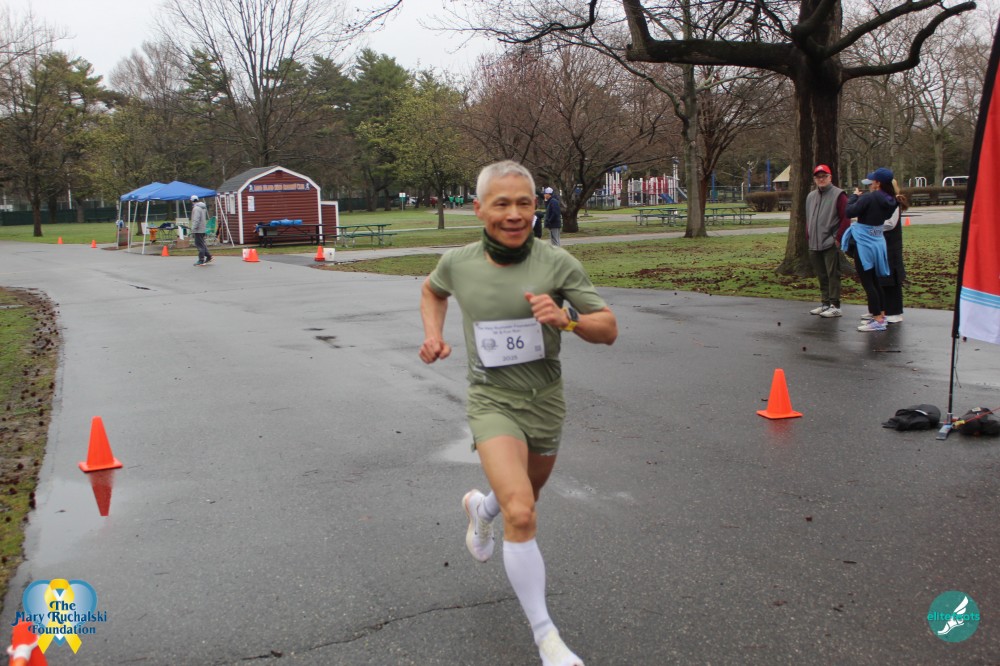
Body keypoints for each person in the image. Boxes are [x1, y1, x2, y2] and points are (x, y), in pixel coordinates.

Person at [419, 160, 617, 666]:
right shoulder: (458, 262)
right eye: (501, 203)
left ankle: (480, 510)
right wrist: (433, 335)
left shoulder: (557, 263)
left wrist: (567, 321)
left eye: (523, 203)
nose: (513, 214)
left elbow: (608, 328)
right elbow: (432, 291)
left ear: (536, 207)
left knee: (523, 496)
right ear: (478, 208)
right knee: (522, 512)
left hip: (545, 400)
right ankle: (547, 638)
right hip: (492, 401)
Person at [842, 168, 897, 331]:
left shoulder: (869, 197)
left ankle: (877, 319)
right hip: (878, 241)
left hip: (864, 243)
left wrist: (854, 197)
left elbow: (849, 212)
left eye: (872, 181)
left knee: (868, 282)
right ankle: (881, 315)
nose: (870, 184)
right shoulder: (891, 200)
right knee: (875, 280)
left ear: (878, 183)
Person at [805, 164, 849, 318]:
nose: (821, 179)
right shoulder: (811, 196)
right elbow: (808, 218)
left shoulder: (839, 195)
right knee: (821, 274)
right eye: (818, 177)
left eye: (824, 176)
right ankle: (825, 303)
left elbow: (846, 218)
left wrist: (838, 239)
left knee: (832, 274)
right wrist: (808, 235)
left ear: (830, 177)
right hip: (814, 242)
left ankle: (835, 305)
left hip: (830, 242)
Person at [190, 195, 213, 266]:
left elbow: (196, 220)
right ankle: (209, 256)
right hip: (202, 228)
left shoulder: (196, 208)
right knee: (202, 244)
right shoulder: (202, 207)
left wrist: (193, 228)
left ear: (191, 201)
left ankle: (201, 259)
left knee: (199, 245)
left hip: (198, 229)